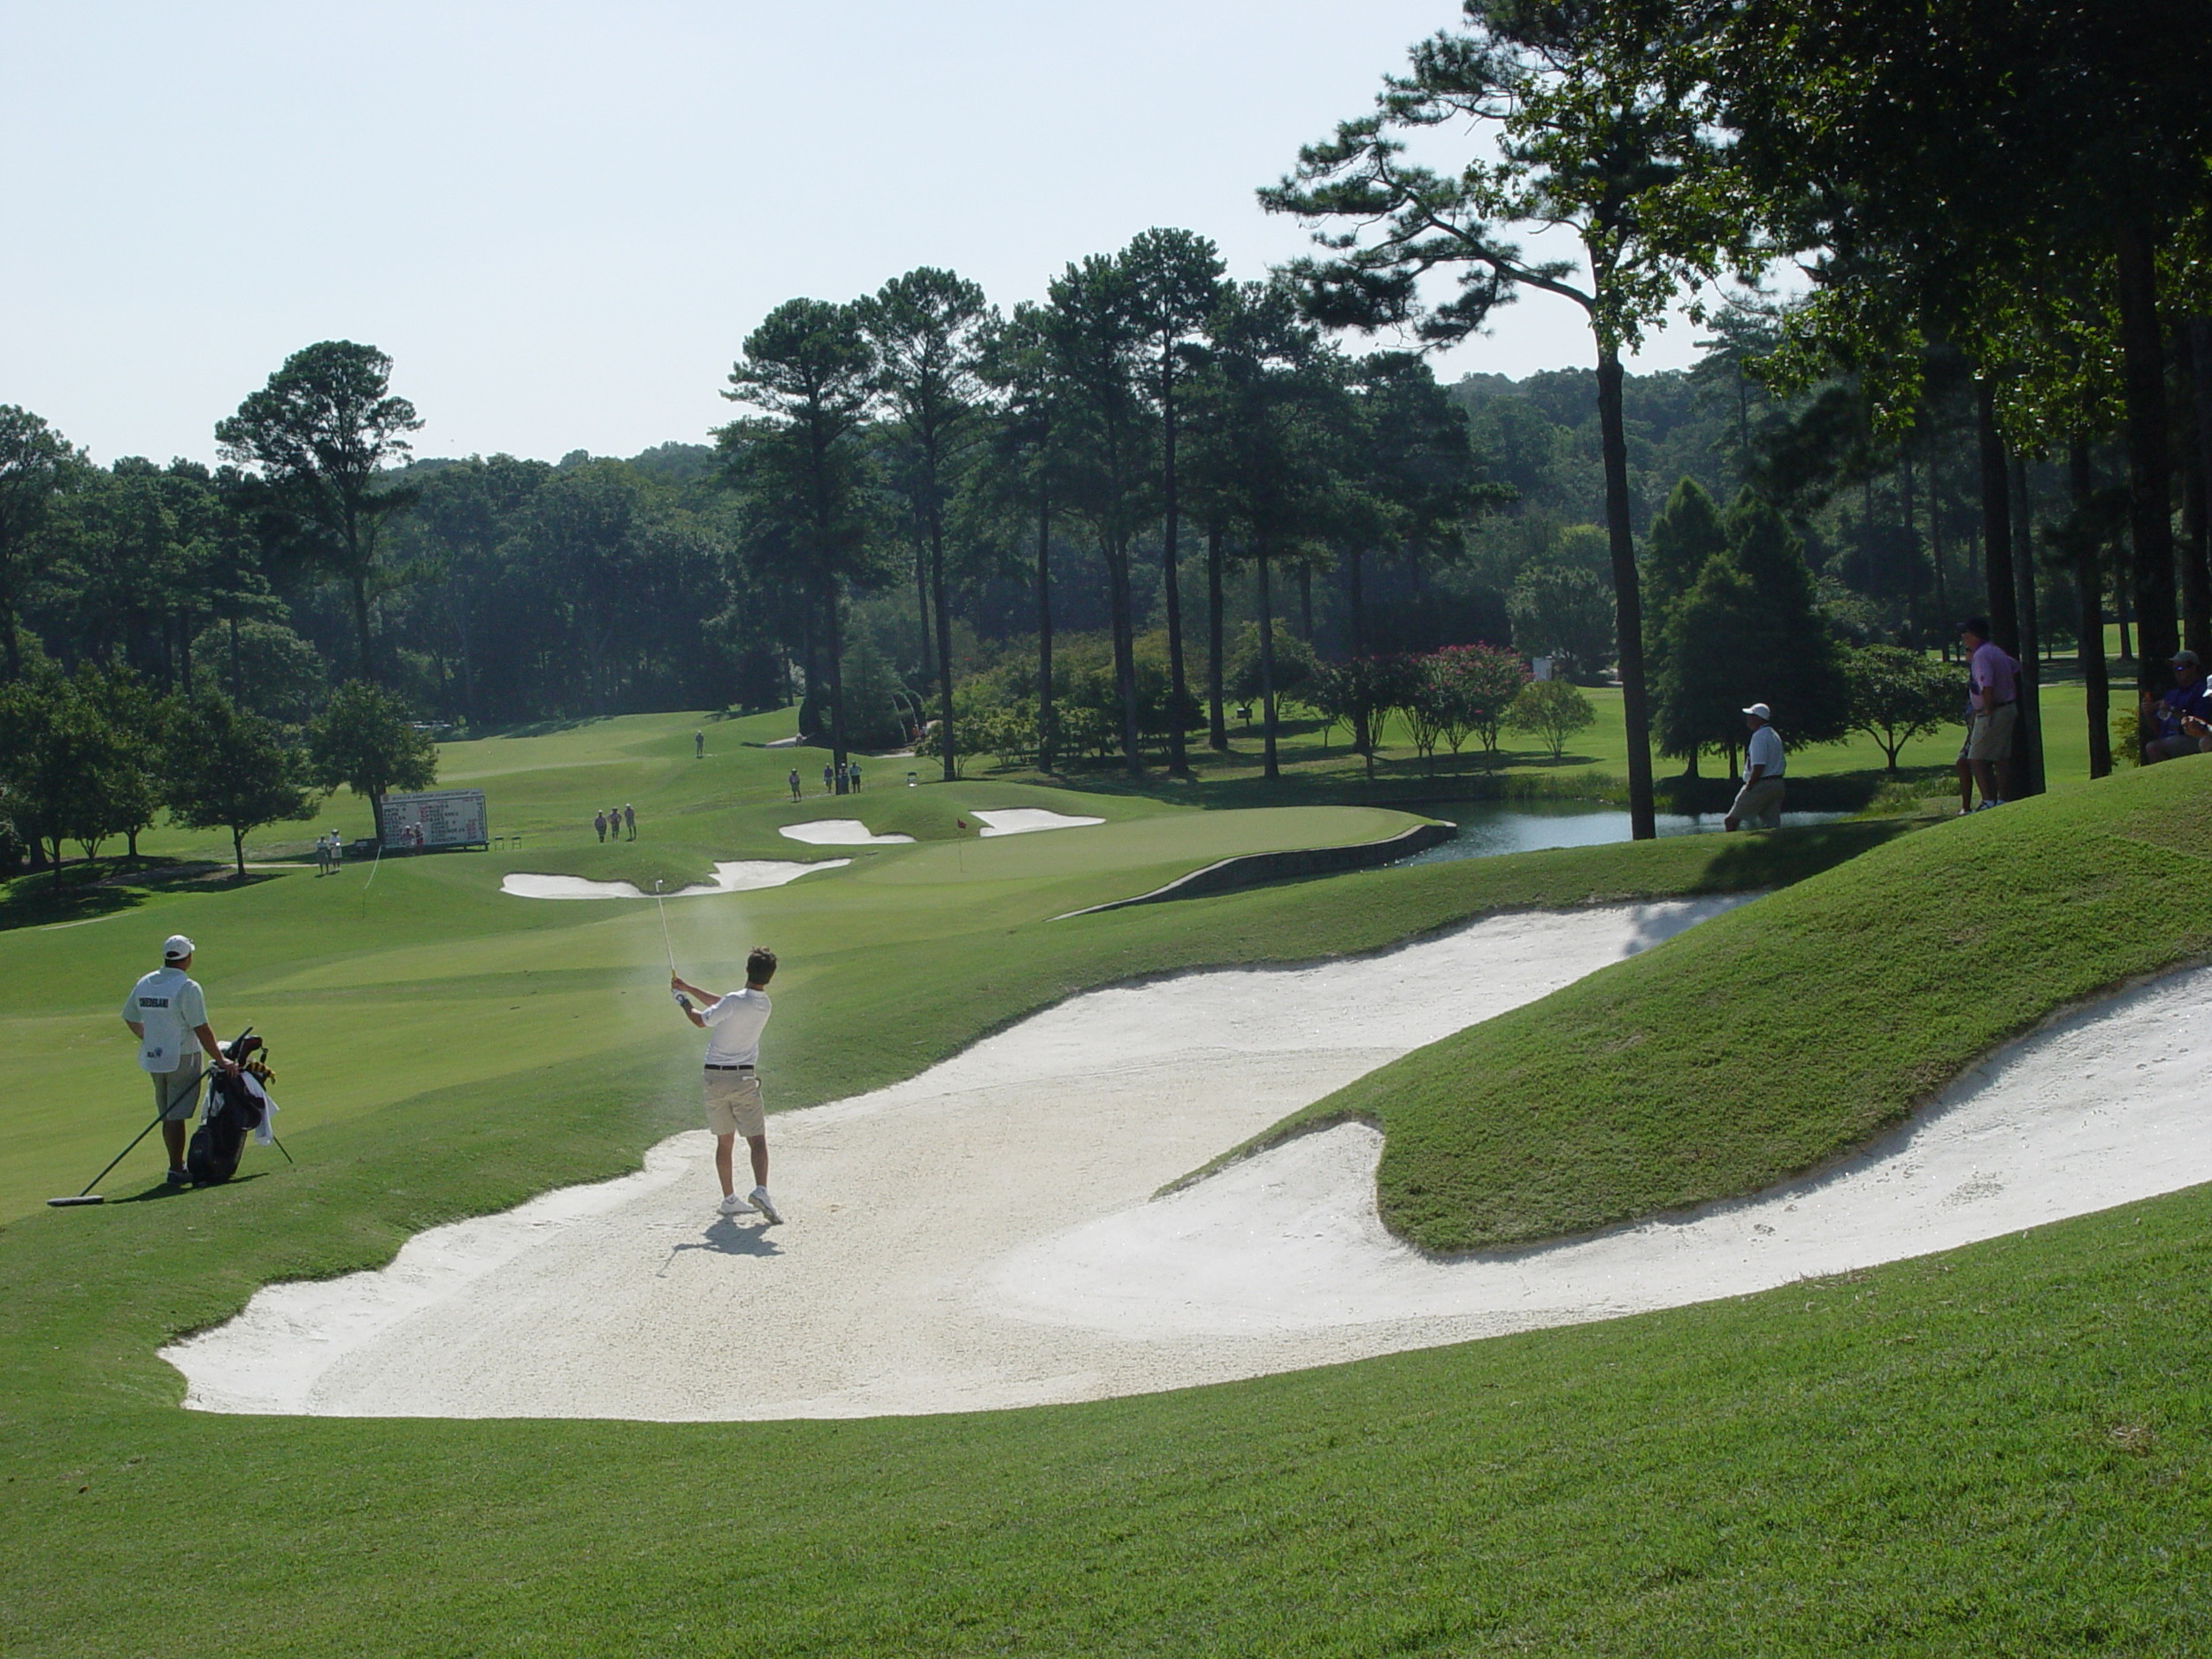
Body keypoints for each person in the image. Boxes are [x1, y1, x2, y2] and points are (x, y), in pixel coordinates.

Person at [671, 949, 783, 1224]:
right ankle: (761, 1190)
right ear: (769, 977)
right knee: (757, 1140)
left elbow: (701, 1019)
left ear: (747, 969)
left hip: (714, 1078)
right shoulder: (763, 1005)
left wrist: (682, 1000)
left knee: (725, 1141)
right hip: (743, 1079)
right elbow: (724, 1006)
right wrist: (688, 987)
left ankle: (729, 1199)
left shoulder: (733, 1002)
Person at [120, 934, 239, 1186]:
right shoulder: (188, 987)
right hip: (182, 1056)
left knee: (167, 1114)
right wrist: (220, 1059)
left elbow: (130, 1016)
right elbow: (201, 1028)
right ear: (188, 958)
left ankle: (177, 1166)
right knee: (175, 1115)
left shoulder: (145, 982)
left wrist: (148, 1036)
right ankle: (176, 1169)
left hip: (154, 1058)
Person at [1960, 616, 2019, 808]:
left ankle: (1988, 802)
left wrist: (1986, 710)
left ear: (1974, 636)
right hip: (2008, 707)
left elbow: (1987, 686)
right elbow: (2014, 666)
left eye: (1966, 633)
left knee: (1975, 758)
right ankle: (2002, 799)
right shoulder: (1995, 650)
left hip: (1995, 710)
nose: (1963, 637)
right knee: (2001, 757)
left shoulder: (1981, 656)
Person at [1724, 703, 1786, 831]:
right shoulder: (1773, 734)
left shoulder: (1759, 736)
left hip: (1761, 784)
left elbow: (1759, 765)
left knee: (1731, 821)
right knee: (1772, 825)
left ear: (1758, 718)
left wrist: (1750, 785)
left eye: (1751, 716)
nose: (1748, 719)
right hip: (1777, 784)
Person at [2140, 650, 2209, 764]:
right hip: (2170, 738)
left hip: (2193, 738)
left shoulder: (2201, 692)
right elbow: (2157, 728)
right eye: (2174, 669)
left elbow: (2197, 724)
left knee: (2153, 747)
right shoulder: (2172, 694)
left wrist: (2171, 709)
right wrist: (2148, 712)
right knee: (2154, 745)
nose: (2176, 673)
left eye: (2180, 669)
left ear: (2193, 668)